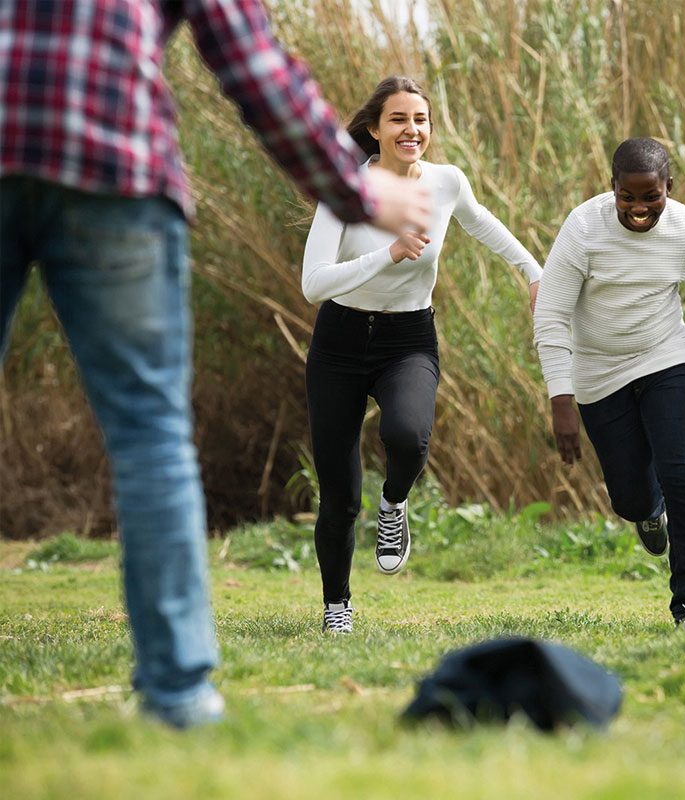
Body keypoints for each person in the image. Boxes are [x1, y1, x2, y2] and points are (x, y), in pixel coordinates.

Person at [0, 0, 429, 728]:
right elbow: (252, 64)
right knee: (148, 435)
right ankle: (177, 694)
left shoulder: (446, 183)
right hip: (113, 163)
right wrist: (357, 191)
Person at [300, 76, 542, 634]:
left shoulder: (445, 183)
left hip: (407, 339)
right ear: (374, 130)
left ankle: (395, 505)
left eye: (421, 120)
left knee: (409, 435)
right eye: (399, 120)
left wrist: (533, 270)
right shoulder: (347, 193)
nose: (412, 130)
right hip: (337, 343)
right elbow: (314, 284)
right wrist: (386, 254)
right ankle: (337, 605)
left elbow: (483, 224)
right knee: (338, 494)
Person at [533, 137, 685, 633]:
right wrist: (561, 397)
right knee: (629, 498)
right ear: (613, 188)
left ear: (669, 188)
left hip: (667, 357)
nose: (640, 208)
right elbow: (552, 314)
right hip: (599, 373)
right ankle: (648, 512)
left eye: (652, 197)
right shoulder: (583, 229)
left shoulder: (684, 228)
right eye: (628, 196)